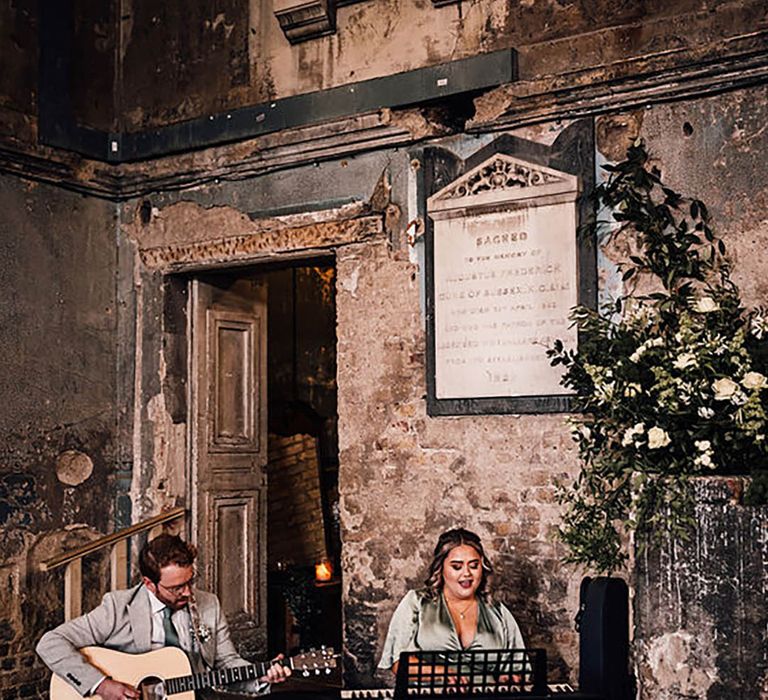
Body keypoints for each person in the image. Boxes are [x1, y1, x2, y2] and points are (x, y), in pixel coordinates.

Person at [37, 534, 291, 699]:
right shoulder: (118, 607)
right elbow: (50, 643)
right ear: (149, 584)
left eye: (190, 581)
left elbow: (226, 664)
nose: (188, 592)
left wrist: (259, 676)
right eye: (176, 588)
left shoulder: (208, 604)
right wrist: (101, 685)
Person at [378, 527, 525, 682]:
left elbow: (516, 668)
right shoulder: (417, 602)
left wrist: (508, 678)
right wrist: (444, 673)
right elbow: (399, 665)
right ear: (441, 568)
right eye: (457, 567)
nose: (467, 573)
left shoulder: (498, 612)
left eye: (474, 566)